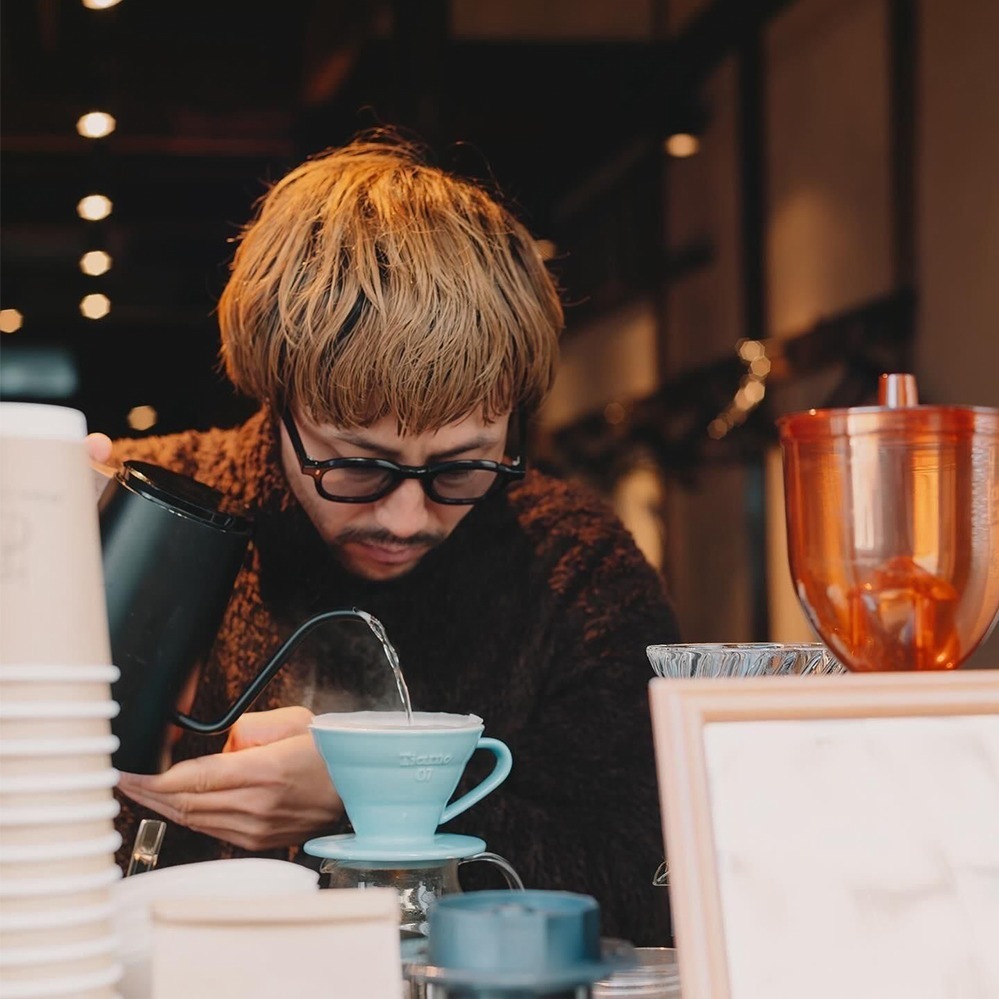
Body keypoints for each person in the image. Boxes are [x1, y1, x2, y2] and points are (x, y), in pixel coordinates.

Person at [92, 129, 681, 946]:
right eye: (356, 466)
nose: (406, 519)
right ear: (276, 399)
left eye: (462, 467)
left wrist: (378, 795)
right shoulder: (137, 517)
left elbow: (651, 883)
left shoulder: (575, 564)